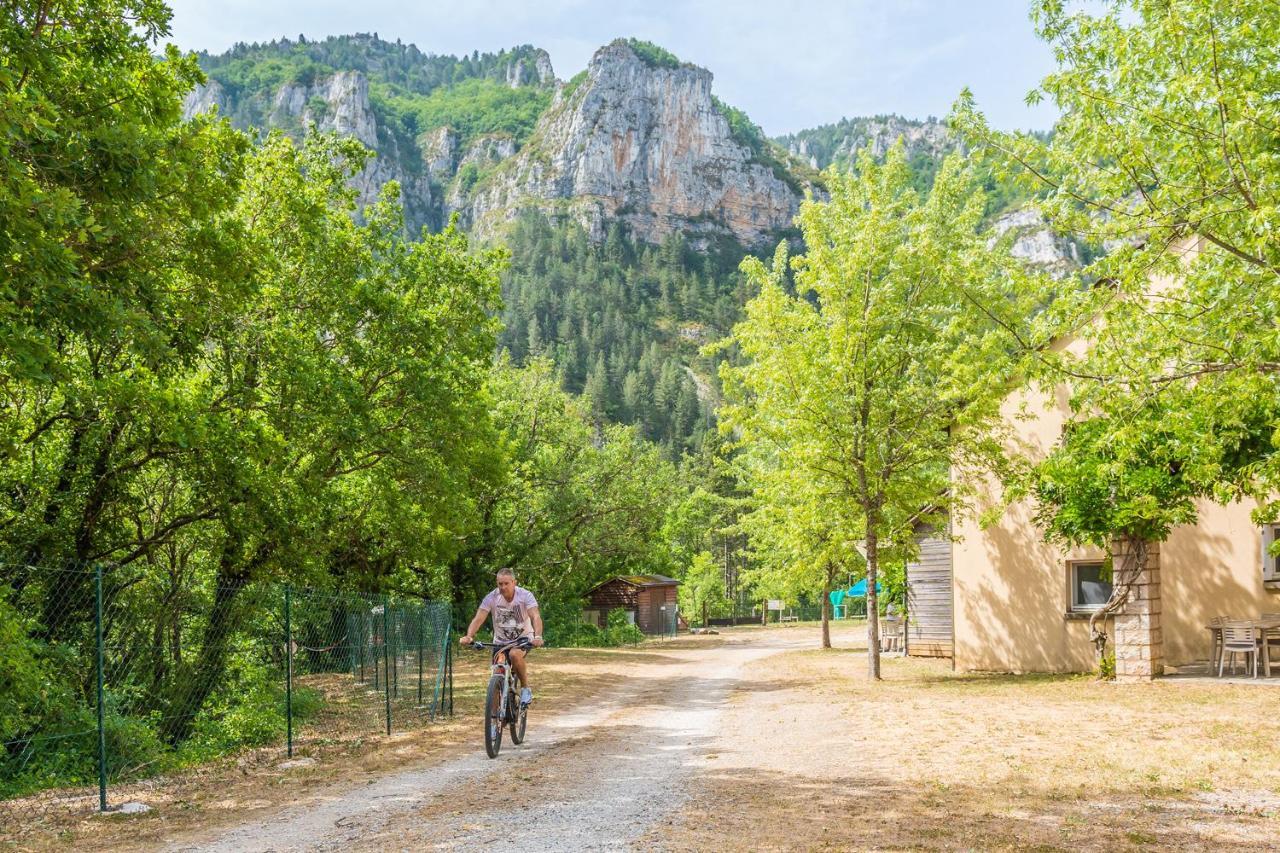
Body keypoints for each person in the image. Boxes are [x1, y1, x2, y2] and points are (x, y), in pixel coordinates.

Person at [460, 568, 544, 704]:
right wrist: (469, 636)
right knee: (497, 672)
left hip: (522, 639)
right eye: (500, 584)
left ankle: (525, 689)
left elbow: (535, 616)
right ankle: (495, 717)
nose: (503, 587)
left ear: (514, 582)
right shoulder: (492, 597)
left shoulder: (525, 595)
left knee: (514, 655)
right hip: (500, 641)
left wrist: (538, 636)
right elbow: (479, 618)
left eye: (506, 583)